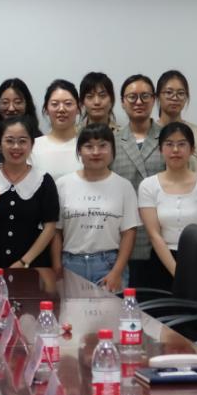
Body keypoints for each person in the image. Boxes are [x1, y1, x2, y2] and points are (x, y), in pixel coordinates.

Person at [0, 116, 58, 270]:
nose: (16, 146)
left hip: (31, 266)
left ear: (32, 144)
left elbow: (50, 227)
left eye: (22, 141)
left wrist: (24, 262)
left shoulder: (44, 180)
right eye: (9, 141)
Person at [54, 124, 139, 290]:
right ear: (79, 151)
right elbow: (56, 231)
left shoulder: (124, 186)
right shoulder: (63, 184)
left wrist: (117, 272)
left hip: (109, 265)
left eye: (102, 146)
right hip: (71, 264)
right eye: (88, 146)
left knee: (110, 308)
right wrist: (57, 267)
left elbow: (129, 232)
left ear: (113, 150)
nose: (95, 152)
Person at [138, 122, 197, 291]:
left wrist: (190, 272)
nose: (175, 150)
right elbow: (154, 235)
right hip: (161, 261)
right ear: (160, 150)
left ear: (192, 149)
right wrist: (178, 272)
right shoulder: (148, 186)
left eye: (182, 144)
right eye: (169, 144)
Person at [111, 73, 165, 287]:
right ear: (122, 102)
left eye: (145, 96)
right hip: (124, 238)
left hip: (163, 236)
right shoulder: (111, 142)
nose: (139, 102)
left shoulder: (169, 138)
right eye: (132, 97)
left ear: (154, 99)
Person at [156, 69, 197, 185]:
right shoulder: (149, 133)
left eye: (181, 93)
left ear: (187, 97)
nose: (175, 98)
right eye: (169, 92)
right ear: (157, 96)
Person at [30, 79, 81, 180]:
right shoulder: (33, 147)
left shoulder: (89, 146)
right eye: (55, 104)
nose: (61, 109)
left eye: (68, 104)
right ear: (46, 109)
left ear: (78, 108)